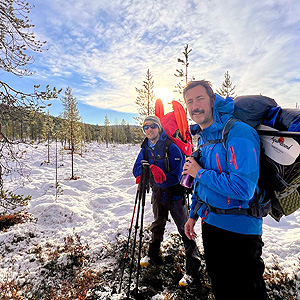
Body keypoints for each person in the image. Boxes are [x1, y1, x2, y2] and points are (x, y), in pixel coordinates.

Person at [182, 80, 269, 300]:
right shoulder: (204, 137)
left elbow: (243, 189)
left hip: (240, 232)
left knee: (248, 293)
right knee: (221, 288)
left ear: (213, 100)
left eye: (200, 98)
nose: (195, 106)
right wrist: (193, 214)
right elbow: (202, 186)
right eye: (189, 102)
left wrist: (198, 172)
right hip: (210, 224)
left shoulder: (238, 132)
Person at [133, 115, 201, 286]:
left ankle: (193, 267)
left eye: (152, 126)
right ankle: (153, 255)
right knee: (158, 224)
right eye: (146, 127)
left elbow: (177, 177)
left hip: (175, 195)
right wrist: (147, 171)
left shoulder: (172, 148)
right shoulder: (145, 147)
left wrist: (156, 177)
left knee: (185, 229)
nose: (149, 130)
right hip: (158, 194)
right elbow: (136, 169)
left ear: (159, 128)